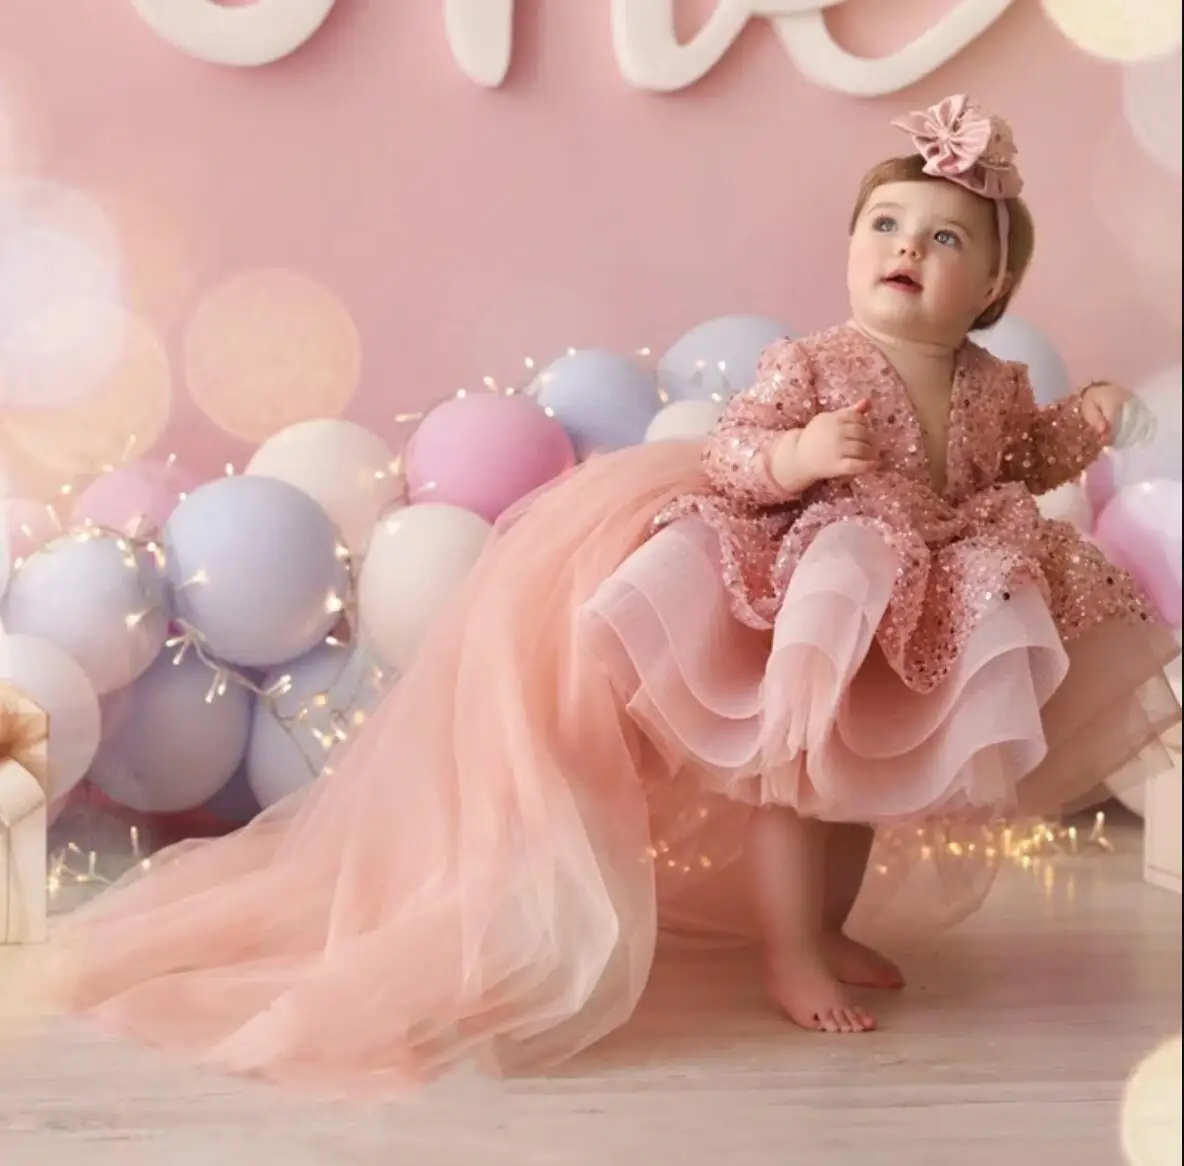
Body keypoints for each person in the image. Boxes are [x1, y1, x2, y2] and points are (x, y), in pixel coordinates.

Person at [44, 95, 1180, 1094]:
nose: (906, 248)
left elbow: (1014, 459)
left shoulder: (991, 381)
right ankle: (789, 947)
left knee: (857, 791)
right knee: (795, 778)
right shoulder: (815, 362)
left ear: (988, 284)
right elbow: (739, 452)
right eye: (883, 226)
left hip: (924, 592)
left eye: (943, 240)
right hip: (820, 586)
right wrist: (797, 461)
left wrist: (1085, 422)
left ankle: (825, 929)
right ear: (846, 249)